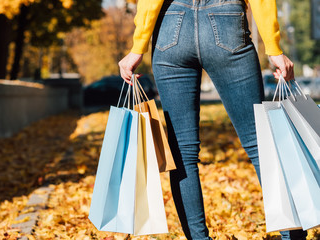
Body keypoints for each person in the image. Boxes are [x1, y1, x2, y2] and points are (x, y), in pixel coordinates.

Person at [118, 0, 307, 239]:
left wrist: (138, 47)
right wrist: (273, 47)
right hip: (225, 18)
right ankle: (293, 236)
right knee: (261, 143)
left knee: (182, 152)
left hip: (171, 23)